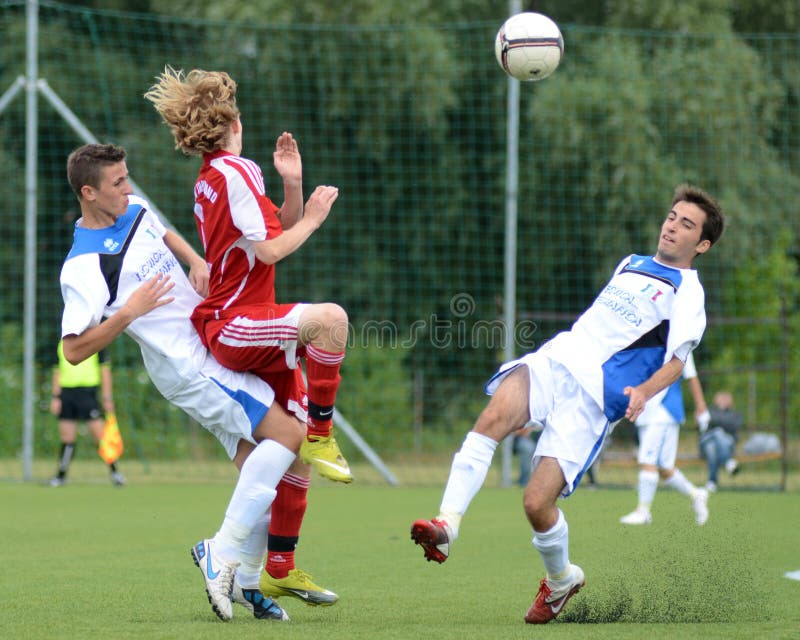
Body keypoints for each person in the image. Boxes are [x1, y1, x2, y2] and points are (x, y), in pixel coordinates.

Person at [410, 184, 725, 624]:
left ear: (703, 244)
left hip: (595, 399)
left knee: (536, 503)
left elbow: (677, 361)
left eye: (687, 224)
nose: (672, 226)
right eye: (672, 216)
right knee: (492, 418)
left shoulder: (688, 291)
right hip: (557, 360)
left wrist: (643, 392)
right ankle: (447, 525)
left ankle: (562, 580)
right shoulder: (631, 263)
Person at [60, 143, 335, 622]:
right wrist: (129, 312)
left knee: (260, 472)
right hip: (186, 364)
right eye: (117, 183)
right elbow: (74, 349)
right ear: (88, 192)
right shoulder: (83, 266)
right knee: (291, 436)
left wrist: (197, 261)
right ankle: (220, 552)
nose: (128, 189)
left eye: (128, 177)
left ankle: (248, 586)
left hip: (207, 343)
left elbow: (162, 232)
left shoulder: (136, 209)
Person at [144, 67, 352, 485]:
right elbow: (273, 250)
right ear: (235, 123)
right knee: (332, 321)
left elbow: (270, 233)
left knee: (291, 462)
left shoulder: (210, 178)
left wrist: (292, 186)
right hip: (236, 322)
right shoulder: (238, 171)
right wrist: (312, 219)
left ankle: (277, 554)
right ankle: (322, 431)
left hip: (245, 321)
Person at [619, 351, 710, 526]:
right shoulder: (646, 338)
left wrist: (701, 407)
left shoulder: (679, 341)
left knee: (647, 459)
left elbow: (691, 376)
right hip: (646, 411)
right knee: (664, 469)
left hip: (665, 410)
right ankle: (696, 495)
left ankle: (643, 511)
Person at [49, 339, 125, 487]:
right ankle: (61, 475)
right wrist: (56, 397)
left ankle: (115, 473)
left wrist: (107, 397)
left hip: (88, 393)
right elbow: (57, 371)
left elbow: (105, 370)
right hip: (67, 394)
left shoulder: (95, 341)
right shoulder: (62, 343)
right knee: (67, 438)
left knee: (100, 436)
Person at [699, 390, 743, 492]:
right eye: (721, 398)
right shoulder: (709, 411)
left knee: (713, 443)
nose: (723, 400)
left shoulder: (735, 414)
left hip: (727, 443)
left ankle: (712, 482)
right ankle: (728, 461)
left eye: (725, 398)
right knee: (716, 435)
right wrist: (721, 425)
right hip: (706, 441)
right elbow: (703, 426)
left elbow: (734, 425)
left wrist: (715, 422)